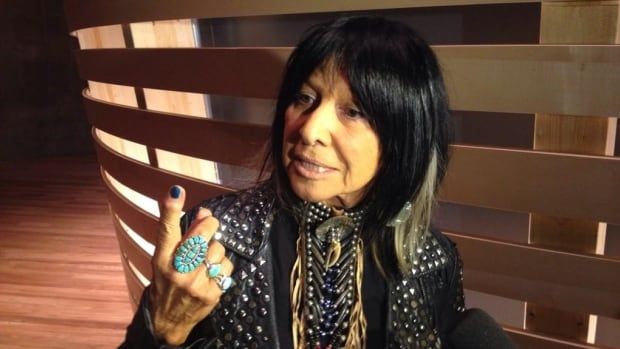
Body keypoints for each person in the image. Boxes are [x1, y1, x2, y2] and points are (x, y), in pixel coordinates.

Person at [121, 16, 464, 349]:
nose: (309, 129)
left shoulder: (433, 261)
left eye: (354, 111)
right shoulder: (214, 236)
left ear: (404, 138)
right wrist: (163, 329)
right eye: (304, 98)